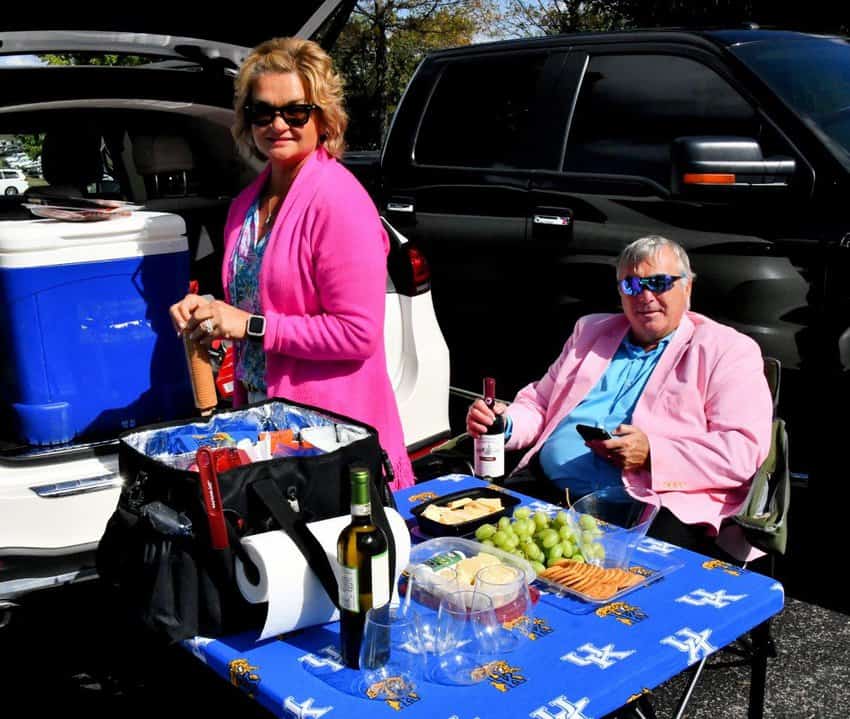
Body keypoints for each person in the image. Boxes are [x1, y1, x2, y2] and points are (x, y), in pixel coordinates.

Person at [169, 37, 414, 489]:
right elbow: (252, 301)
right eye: (263, 112)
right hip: (264, 425)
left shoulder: (339, 201)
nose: (278, 123)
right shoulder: (246, 203)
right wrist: (209, 313)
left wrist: (250, 326)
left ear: (323, 117)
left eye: (295, 111)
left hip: (330, 440)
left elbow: (356, 334)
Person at [467, 235, 772, 561]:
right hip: (549, 491)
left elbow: (742, 451)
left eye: (659, 283)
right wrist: (505, 423)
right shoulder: (590, 333)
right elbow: (539, 404)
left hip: (650, 507)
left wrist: (653, 454)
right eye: (631, 285)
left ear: (688, 288)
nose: (645, 296)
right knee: (473, 553)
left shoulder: (726, 350)